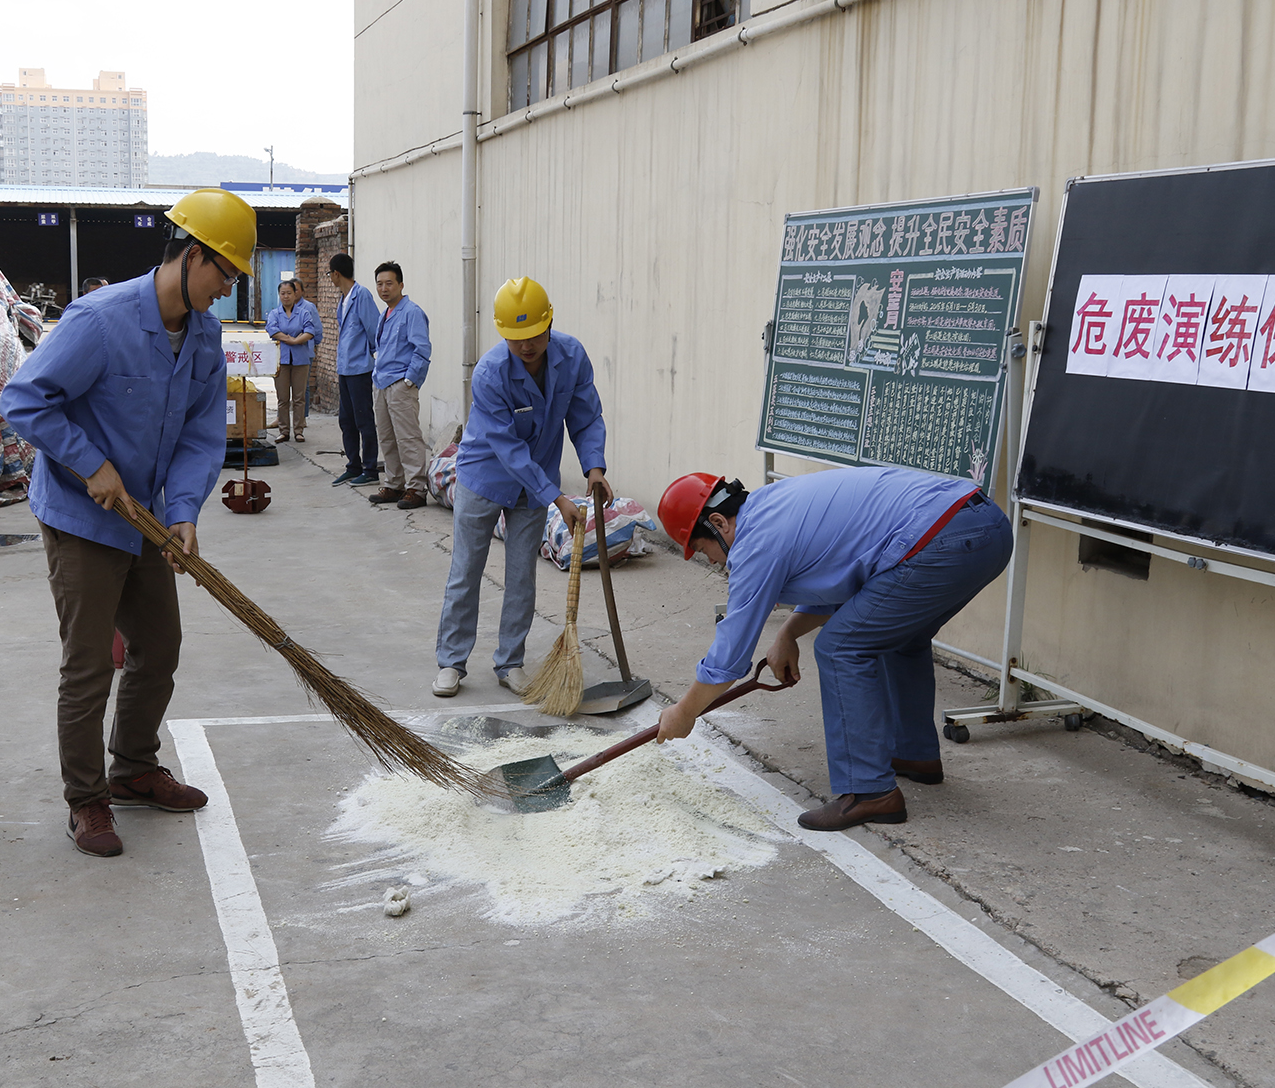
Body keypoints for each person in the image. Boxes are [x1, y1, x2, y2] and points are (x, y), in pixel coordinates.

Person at [0, 187, 256, 858]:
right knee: (88, 665)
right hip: (84, 517)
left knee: (160, 645)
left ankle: (134, 766)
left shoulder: (203, 336)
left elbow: (203, 433)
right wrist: (91, 464)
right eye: (223, 274)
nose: (225, 290)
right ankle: (87, 799)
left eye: (233, 279)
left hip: (145, 519)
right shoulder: (100, 320)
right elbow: (23, 401)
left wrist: (183, 513)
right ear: (192, 255)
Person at [654, 467, 1013, 830]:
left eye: (702, 549)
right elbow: (841, 577)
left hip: (943, 537)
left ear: (718, 522)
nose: (712, 562)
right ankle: (914, 754)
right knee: (898, 637)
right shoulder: (772, 506)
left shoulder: (754, 543)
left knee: (841, 648)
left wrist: (684, 713)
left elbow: (729, 658)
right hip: (984, 525)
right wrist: (788, 634)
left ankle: (871, 793)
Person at [432, 276, 612, 698]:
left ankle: (510, 661)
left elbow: (585, 417)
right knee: (466, 571)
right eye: (515, 339)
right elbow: (510, 451)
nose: (526, 346)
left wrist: (595, 467)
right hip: (486, 477)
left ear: (550, 325)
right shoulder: (490, 373)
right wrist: (556, 497)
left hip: (535, 485)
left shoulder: (572, 357)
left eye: (533, 336)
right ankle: (451, 662)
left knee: (521, 576)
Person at [367, 261, 432, 510]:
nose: (384, 289)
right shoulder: (385, 313)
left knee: (408, 437)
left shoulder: (411, 312)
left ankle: (416, 488)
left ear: (401, 285)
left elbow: (422, 349)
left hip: (399, 384)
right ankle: (394, 484)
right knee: (387, 437)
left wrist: (409, 381)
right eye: (380, 284)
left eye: (389, 283)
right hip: (381, 382)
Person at [327, 253, 381, 487]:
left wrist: (366, 354)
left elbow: (374, 331)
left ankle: (370, 468)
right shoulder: (344, 299)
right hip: (345, 368)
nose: (329, 278)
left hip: (359, 369)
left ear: (336, 274)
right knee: (346, 420)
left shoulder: (362, 296)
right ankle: (353, 465)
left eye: (329, 273)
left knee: (363, 420)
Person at [266, 278, 321, 443]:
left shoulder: (304, 312)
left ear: (295, 294)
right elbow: (272, 330)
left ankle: (299, 430)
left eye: (289, 293)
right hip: (281, 360)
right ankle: (284, 430)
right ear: (279, 295)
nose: (286, 296)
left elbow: (310, 330)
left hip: (301, 359)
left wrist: (296, 341)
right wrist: (289, 339)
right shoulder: (275, 314)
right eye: (283, 293)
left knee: (299, 397)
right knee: (283, 398)